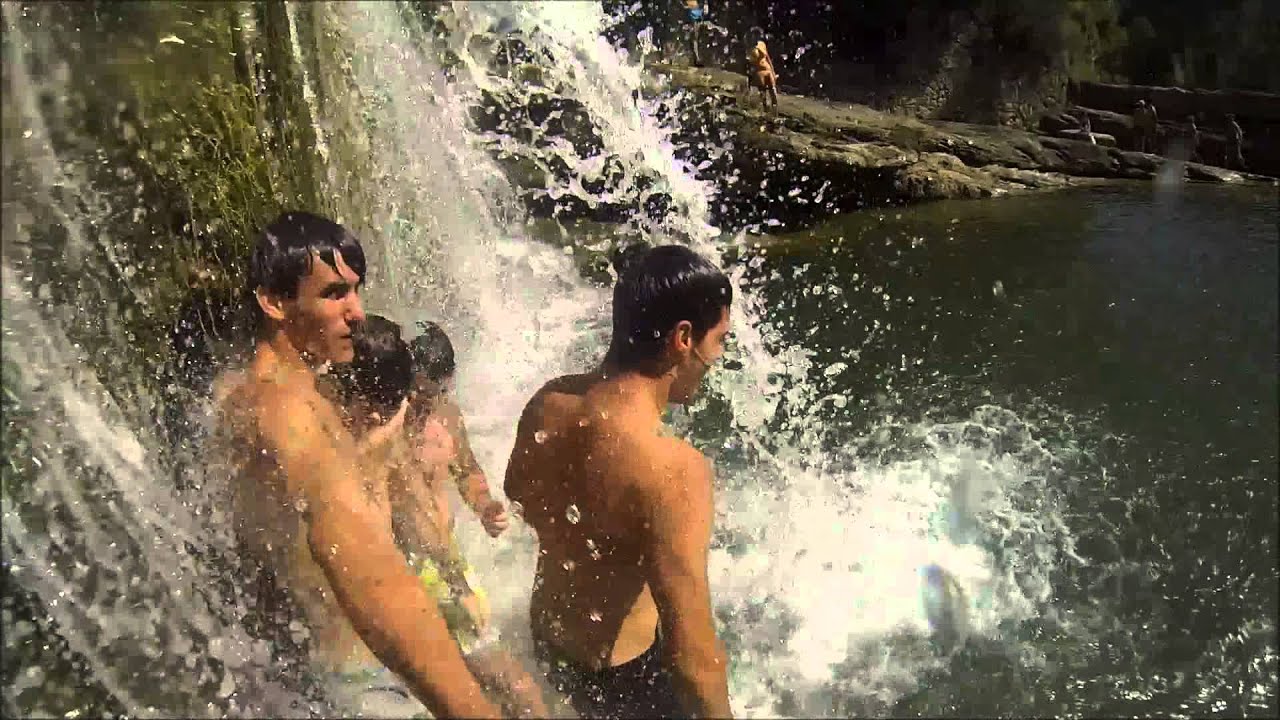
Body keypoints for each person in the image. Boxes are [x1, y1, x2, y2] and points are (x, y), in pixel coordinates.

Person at [212, 211, 501, 718]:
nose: (358, 312)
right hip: (356, 681)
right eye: (333, 294)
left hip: (313, 669)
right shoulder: (286, 413)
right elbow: (366, 569)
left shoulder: (281, 391)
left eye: (356, 290)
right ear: (274, 302)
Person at [506, 245, 735, 719]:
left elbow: (519, 496)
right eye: (720, 341)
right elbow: (693, 657)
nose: (719, 359)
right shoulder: (673, 467)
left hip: (551, 646)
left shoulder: (548, 403)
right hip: (627, 679)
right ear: (683, 338)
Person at [337, 315, 548, 718]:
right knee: (466, 686)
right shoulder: (387, 429)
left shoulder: (446, 417)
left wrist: (485, 505)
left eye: (435, 394)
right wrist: (456, 581)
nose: (423, 405)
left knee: (500, 679)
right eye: (417, 394)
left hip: (444, 564)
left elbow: (466, 469)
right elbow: (412, 520)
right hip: (418, 568)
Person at [747, 36, 779, 111]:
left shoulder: (761, 44)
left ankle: (775, 107)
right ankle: (765, 108)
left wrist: (773, 71)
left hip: (767, 69)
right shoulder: (751, 50)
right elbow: (751, 63)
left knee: (772, 89)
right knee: (763, 90)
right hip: (759, 71)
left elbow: (768, 58)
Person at [682, 1, 708, 67]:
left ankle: (697, 59)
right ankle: (696, 59)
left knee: (695, 41)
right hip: (694, 22)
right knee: (694, 41)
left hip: (696, 22)